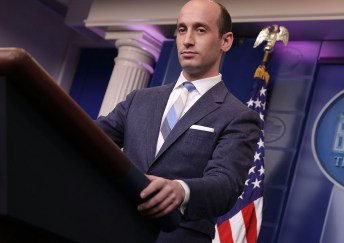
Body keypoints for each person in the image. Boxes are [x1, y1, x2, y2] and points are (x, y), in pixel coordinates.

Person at [96, 0, 261, 242]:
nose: (187, 40)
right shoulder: (138, 100)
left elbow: (225, 185)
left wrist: (181, 191)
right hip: (111, 230)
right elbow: (91, 138)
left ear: (225, 41)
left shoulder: (239, 117)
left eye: (200, 29)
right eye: (182, 29)